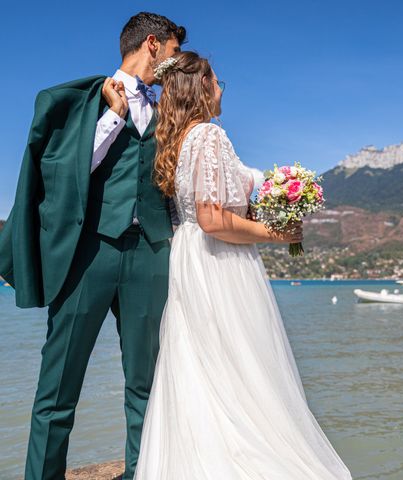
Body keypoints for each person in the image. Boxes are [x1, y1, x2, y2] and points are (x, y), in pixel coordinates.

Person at [134, 51, 352, 479]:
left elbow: (201, 215)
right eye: (217, 81)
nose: (220, 88)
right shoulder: (210, 136)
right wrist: (278, 235)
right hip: (221, 265)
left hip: (191, 260)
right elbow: (213, 218)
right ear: (200, 87)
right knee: (241, 368)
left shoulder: (179, 141)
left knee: (203, 367)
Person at [0, 12, 186, 480]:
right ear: (153, 45)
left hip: (150, 253)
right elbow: (63, 176)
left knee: (148, 385)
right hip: (89, 254)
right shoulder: (86, 101)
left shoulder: (167, 112)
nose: (177, 60)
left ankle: (141, 473)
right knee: (58, 386)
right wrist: (114, 117)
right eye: (175, 50)